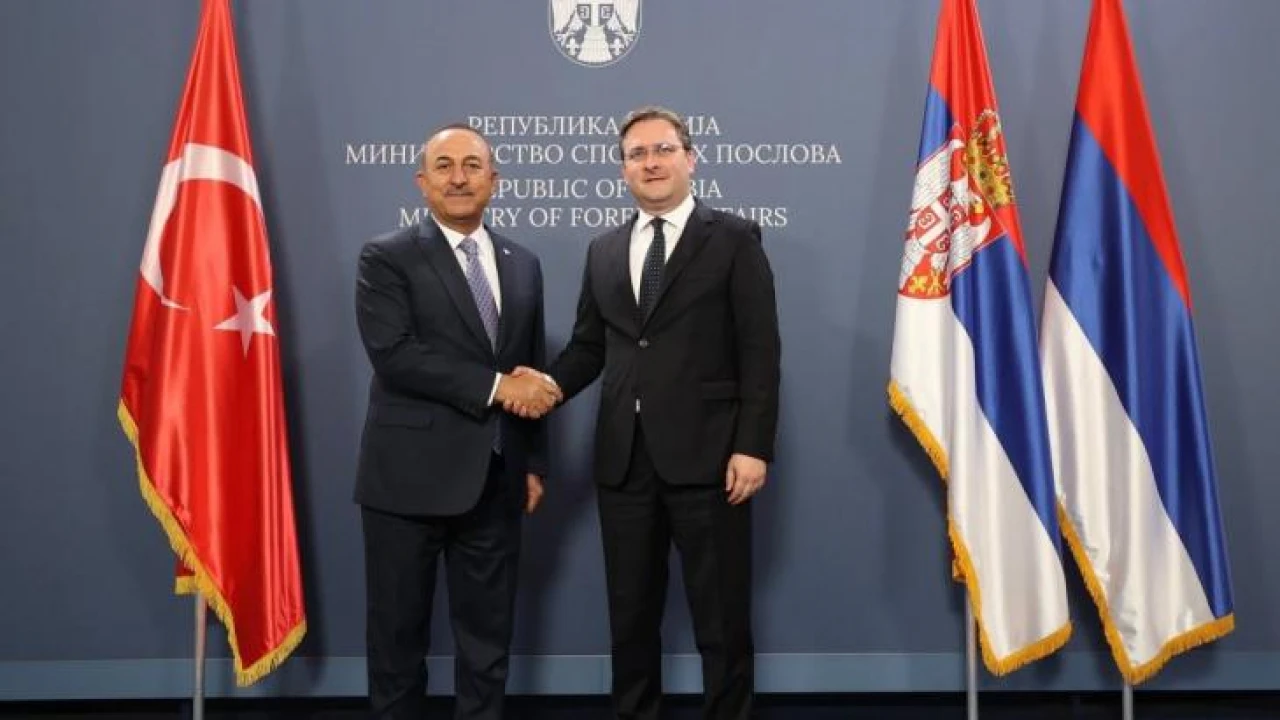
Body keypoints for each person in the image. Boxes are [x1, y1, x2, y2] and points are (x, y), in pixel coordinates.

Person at [525, 106, 781, 719]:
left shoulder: (735, 239)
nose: (651, 163)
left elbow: (760, 350)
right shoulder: (604, 249)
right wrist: (546, 385)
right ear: (623, 170)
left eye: (663, 150)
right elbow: (590, 347)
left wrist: (753, 445)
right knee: (630, 615)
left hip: (712, 458)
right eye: (637, 154)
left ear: (690, 159)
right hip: (624, 460)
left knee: (720, 616)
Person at [353, 123, 561, 719]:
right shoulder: (386, 256)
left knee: (487, 643)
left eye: (472, 165)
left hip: (496, 480)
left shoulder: (523, 263)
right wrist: (498, 387)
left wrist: (533, 459)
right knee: (397, 642)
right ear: (422, 183)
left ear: (494, 180)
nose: (459, 178)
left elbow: (530, 366)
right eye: (444, 166)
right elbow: (395, 355)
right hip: (405, 483)